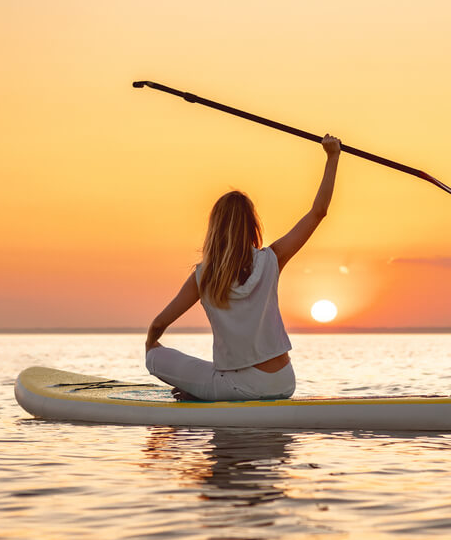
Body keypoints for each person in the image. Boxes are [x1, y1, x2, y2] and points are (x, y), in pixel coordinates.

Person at [144, 135, 342, 401]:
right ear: (252, 226)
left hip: (239, 388)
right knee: (215, 374)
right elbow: (318, 212)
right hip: (283, 382)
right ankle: (203, 391)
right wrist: (332, 157)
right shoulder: (272, 259)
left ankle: (201, 392)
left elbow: (159, 323)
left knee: (156, 358)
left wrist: (150, 345)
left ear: (215, 228)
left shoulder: (204, 276)